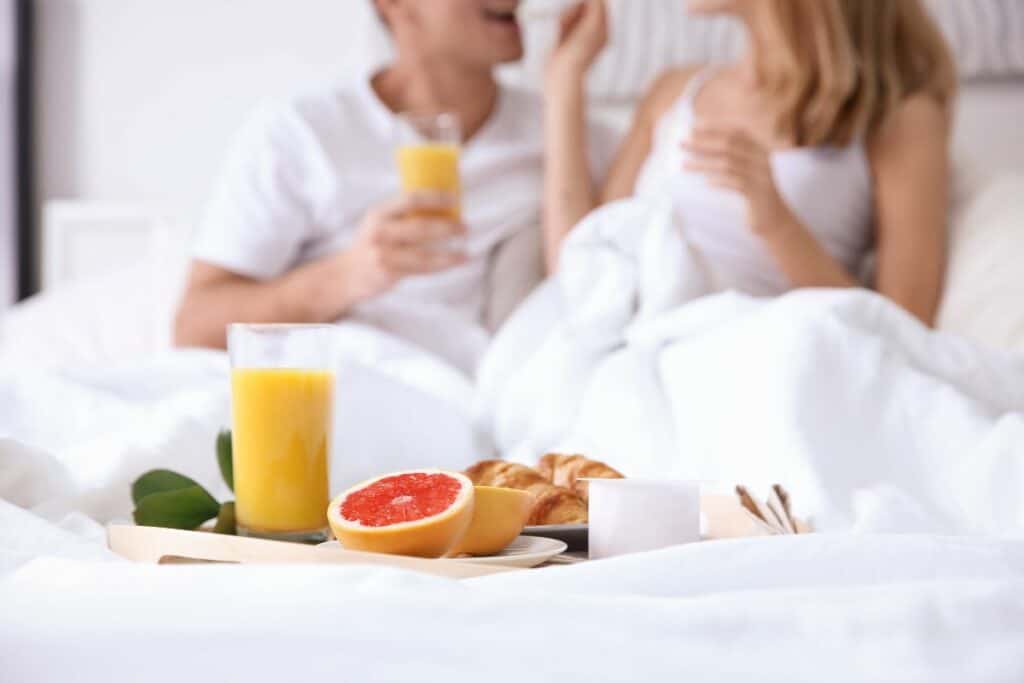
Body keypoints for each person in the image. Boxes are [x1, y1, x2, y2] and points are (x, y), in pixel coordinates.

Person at [174, 0, 614, 370]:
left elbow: (593, 295)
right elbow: (194, 327)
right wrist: (351, 274)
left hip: (467, 403)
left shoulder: (568, 133)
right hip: (335, 387)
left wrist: (567, 81)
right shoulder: (302, 131)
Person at [546, 0, 956, 325]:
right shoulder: (672, 93)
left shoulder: (900, 118)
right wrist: (565, 78)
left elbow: (904, 324)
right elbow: (580, 269)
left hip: (759, 358)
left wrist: (777, 224)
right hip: (635, 343)